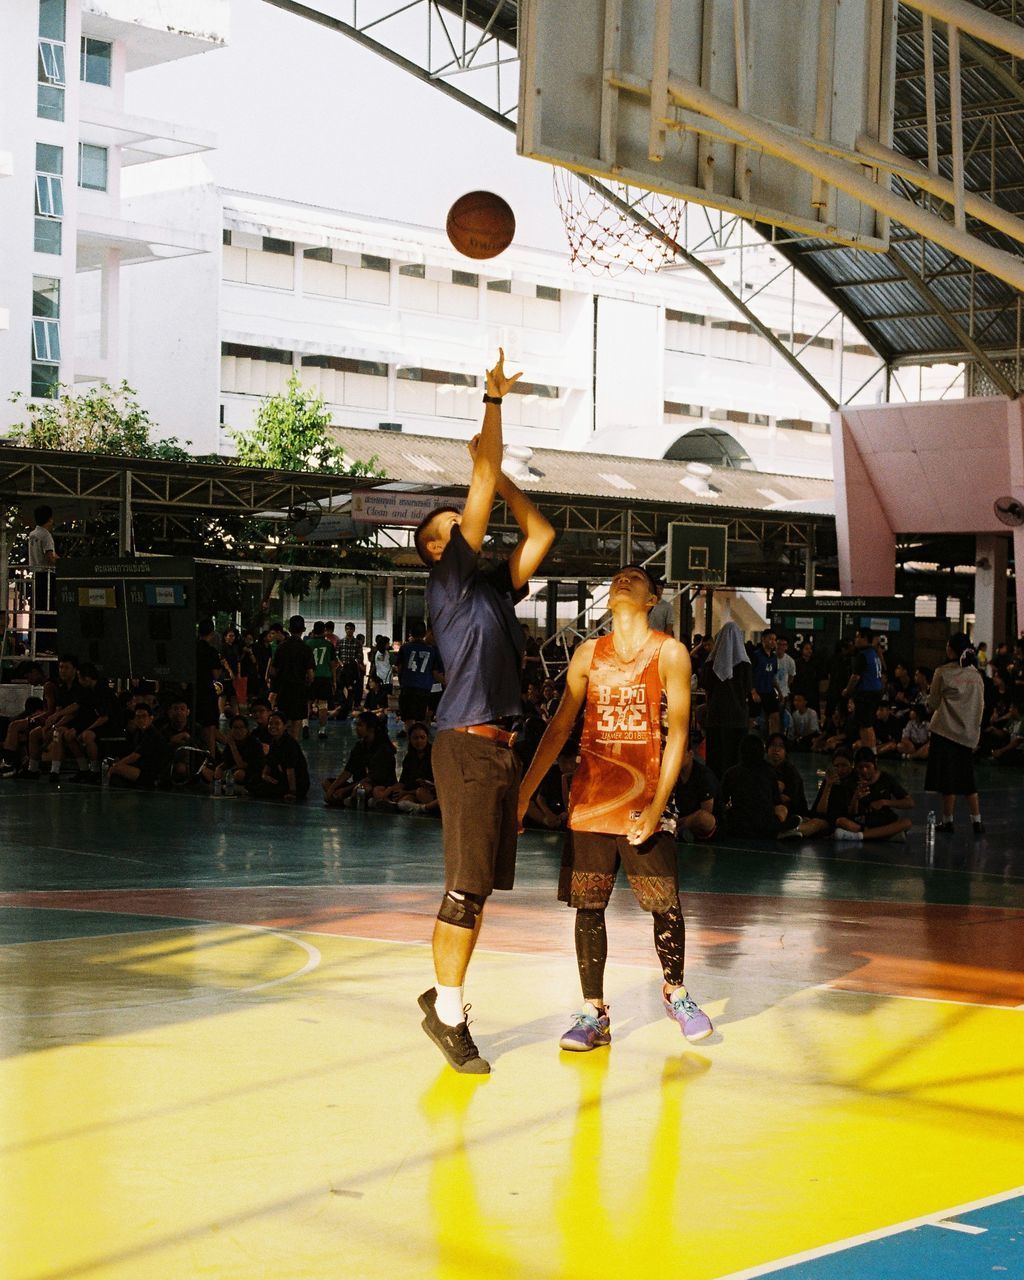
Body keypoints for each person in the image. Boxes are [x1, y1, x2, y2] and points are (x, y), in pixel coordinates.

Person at [414, 349, 555, 1074]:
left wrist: (498, 478)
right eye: (457, 523)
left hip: (499, 748)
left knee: (479, 891)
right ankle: (445, 1008)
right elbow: (476, 488)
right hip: (466, 745)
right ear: (437, 550)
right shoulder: (449, 580)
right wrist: (493, 403)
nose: (472, 523)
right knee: (465, 889)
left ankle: (442, 999)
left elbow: (542, 537)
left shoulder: (492, 590)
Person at [518, 563, 713, 1053]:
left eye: (635, 578)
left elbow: (680, 736)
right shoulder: (587, 653)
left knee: (663, 901)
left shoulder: (670, 652)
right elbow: (560, 727)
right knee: (589, 905)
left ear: (653, 599)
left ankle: (676, 992)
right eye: (617, 578)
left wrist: (657, 806)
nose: (622, 581)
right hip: (592, 796)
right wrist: (523, 794)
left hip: (645, 795)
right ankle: (594, 1012)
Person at [925, 633, 985, 834]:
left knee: (947, 780)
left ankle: (948, 820)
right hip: (968, 734)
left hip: (945, 732)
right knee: (968, 779)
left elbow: (932, 704)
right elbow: (980, 706)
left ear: (950, 649)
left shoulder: (942, 672)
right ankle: (977, 821)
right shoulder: (976, 676)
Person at [701, 622, 752, 779]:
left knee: (716, 759)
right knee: (735, 758)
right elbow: (748, 688)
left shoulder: (711, 662)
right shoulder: (744, 663)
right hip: (738, 718)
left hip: (716, 717)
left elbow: (705, 684)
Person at [833, 747, 913, 842]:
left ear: (874, 764)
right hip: (861, 822)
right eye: (860, 767)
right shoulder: (852, 781)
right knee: (842, 821)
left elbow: (910, 802)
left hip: (883, 820)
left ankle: (859, 836)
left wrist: (884, 802)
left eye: (867, 766)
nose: (864, 770)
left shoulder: (885, 778)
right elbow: (850, 813)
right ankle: (884, 835)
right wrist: (856, 798)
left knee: (906, 823)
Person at [269, 615, 315, 740]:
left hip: (283, 689)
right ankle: (293, 748)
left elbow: (273, 671)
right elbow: (311, 676)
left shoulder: (281, 647)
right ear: (303, 630)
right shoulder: (306, 649)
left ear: (289, 629)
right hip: (299, 689)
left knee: (283, 720)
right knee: (296, 721)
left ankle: (281, 747)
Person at [396, 619, 443, 729]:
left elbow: (399, 668)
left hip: (407, 687)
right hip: (424, 688)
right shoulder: (432, 650)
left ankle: (410, 740)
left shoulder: (405, 648)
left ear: (411, 632)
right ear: (425, 633)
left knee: (408, 719)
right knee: (421, 719)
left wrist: (402, 681)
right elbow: (435, 672)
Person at [843, 628, 885, 751]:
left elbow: (855, 676)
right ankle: (870, 751)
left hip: (866, 693)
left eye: (857, 637)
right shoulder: (874, 653)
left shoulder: (862, 655)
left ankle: (869, 754)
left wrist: (847, 690)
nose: (855, 640)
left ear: (865, 639)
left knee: (865, 725)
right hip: (876, 691)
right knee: (867, 724)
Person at [671, 749, 719, 842]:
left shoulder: (704, 775)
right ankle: (681, 831)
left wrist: (678, 822)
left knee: (703, 818)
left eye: (680, 754)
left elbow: (707, 811)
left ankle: (677, 830)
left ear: (690, 754)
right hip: (682, 819)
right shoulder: (674, 774)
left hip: (708, 825)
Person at [194, 619, 223, 761]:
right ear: (211, 633)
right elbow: (215, 674)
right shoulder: (211, 651)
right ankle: (211, 758)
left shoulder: (191, 649)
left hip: (193, 691)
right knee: (209, 726)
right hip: (206, 690)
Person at [305, 620, 338, 740]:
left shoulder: (307, 643)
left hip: (310, 677)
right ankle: (322, 730)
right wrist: (334, 681)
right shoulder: (329, 645)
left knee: (307, 702)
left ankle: (305, 726)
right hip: (325, 677)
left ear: (313, 630)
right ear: (324, 631)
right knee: (323, 704)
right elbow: (332, 664)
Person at [27, 504, 58, 617]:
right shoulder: (46, 535)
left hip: (35, 574)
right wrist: (63, 564)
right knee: (47, 606)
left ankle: (35, 632)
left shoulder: (33, 534)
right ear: (50, 519)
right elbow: (50, 556)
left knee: (37, 606)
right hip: (46, 575)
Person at [750, 629, 781, 735]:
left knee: (775, 716)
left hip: (769, 691)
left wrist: (779, 692)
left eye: (774, 640)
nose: (773, 642)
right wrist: (753, 692)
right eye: (770, 639)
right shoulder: (756, 655)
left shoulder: (774, 658)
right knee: (752, 719)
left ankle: (773, 740)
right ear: (763, 639)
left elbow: (772, 676)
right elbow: (750, 675)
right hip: (757, 691)